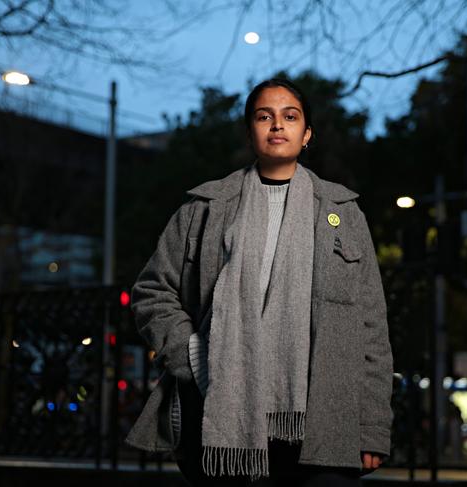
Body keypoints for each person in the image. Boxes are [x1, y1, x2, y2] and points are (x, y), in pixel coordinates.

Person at [125, 78, 393, 486]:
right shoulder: (206, 207)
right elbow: (152, 291)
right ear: (250, 132)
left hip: (323, 420)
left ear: (306, 135)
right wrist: (192, 355)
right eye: (263, 116)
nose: (277, 125)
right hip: (221, 413)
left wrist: (372, 428)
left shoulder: (343, 212)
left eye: (290, 116)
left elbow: (370, 328)